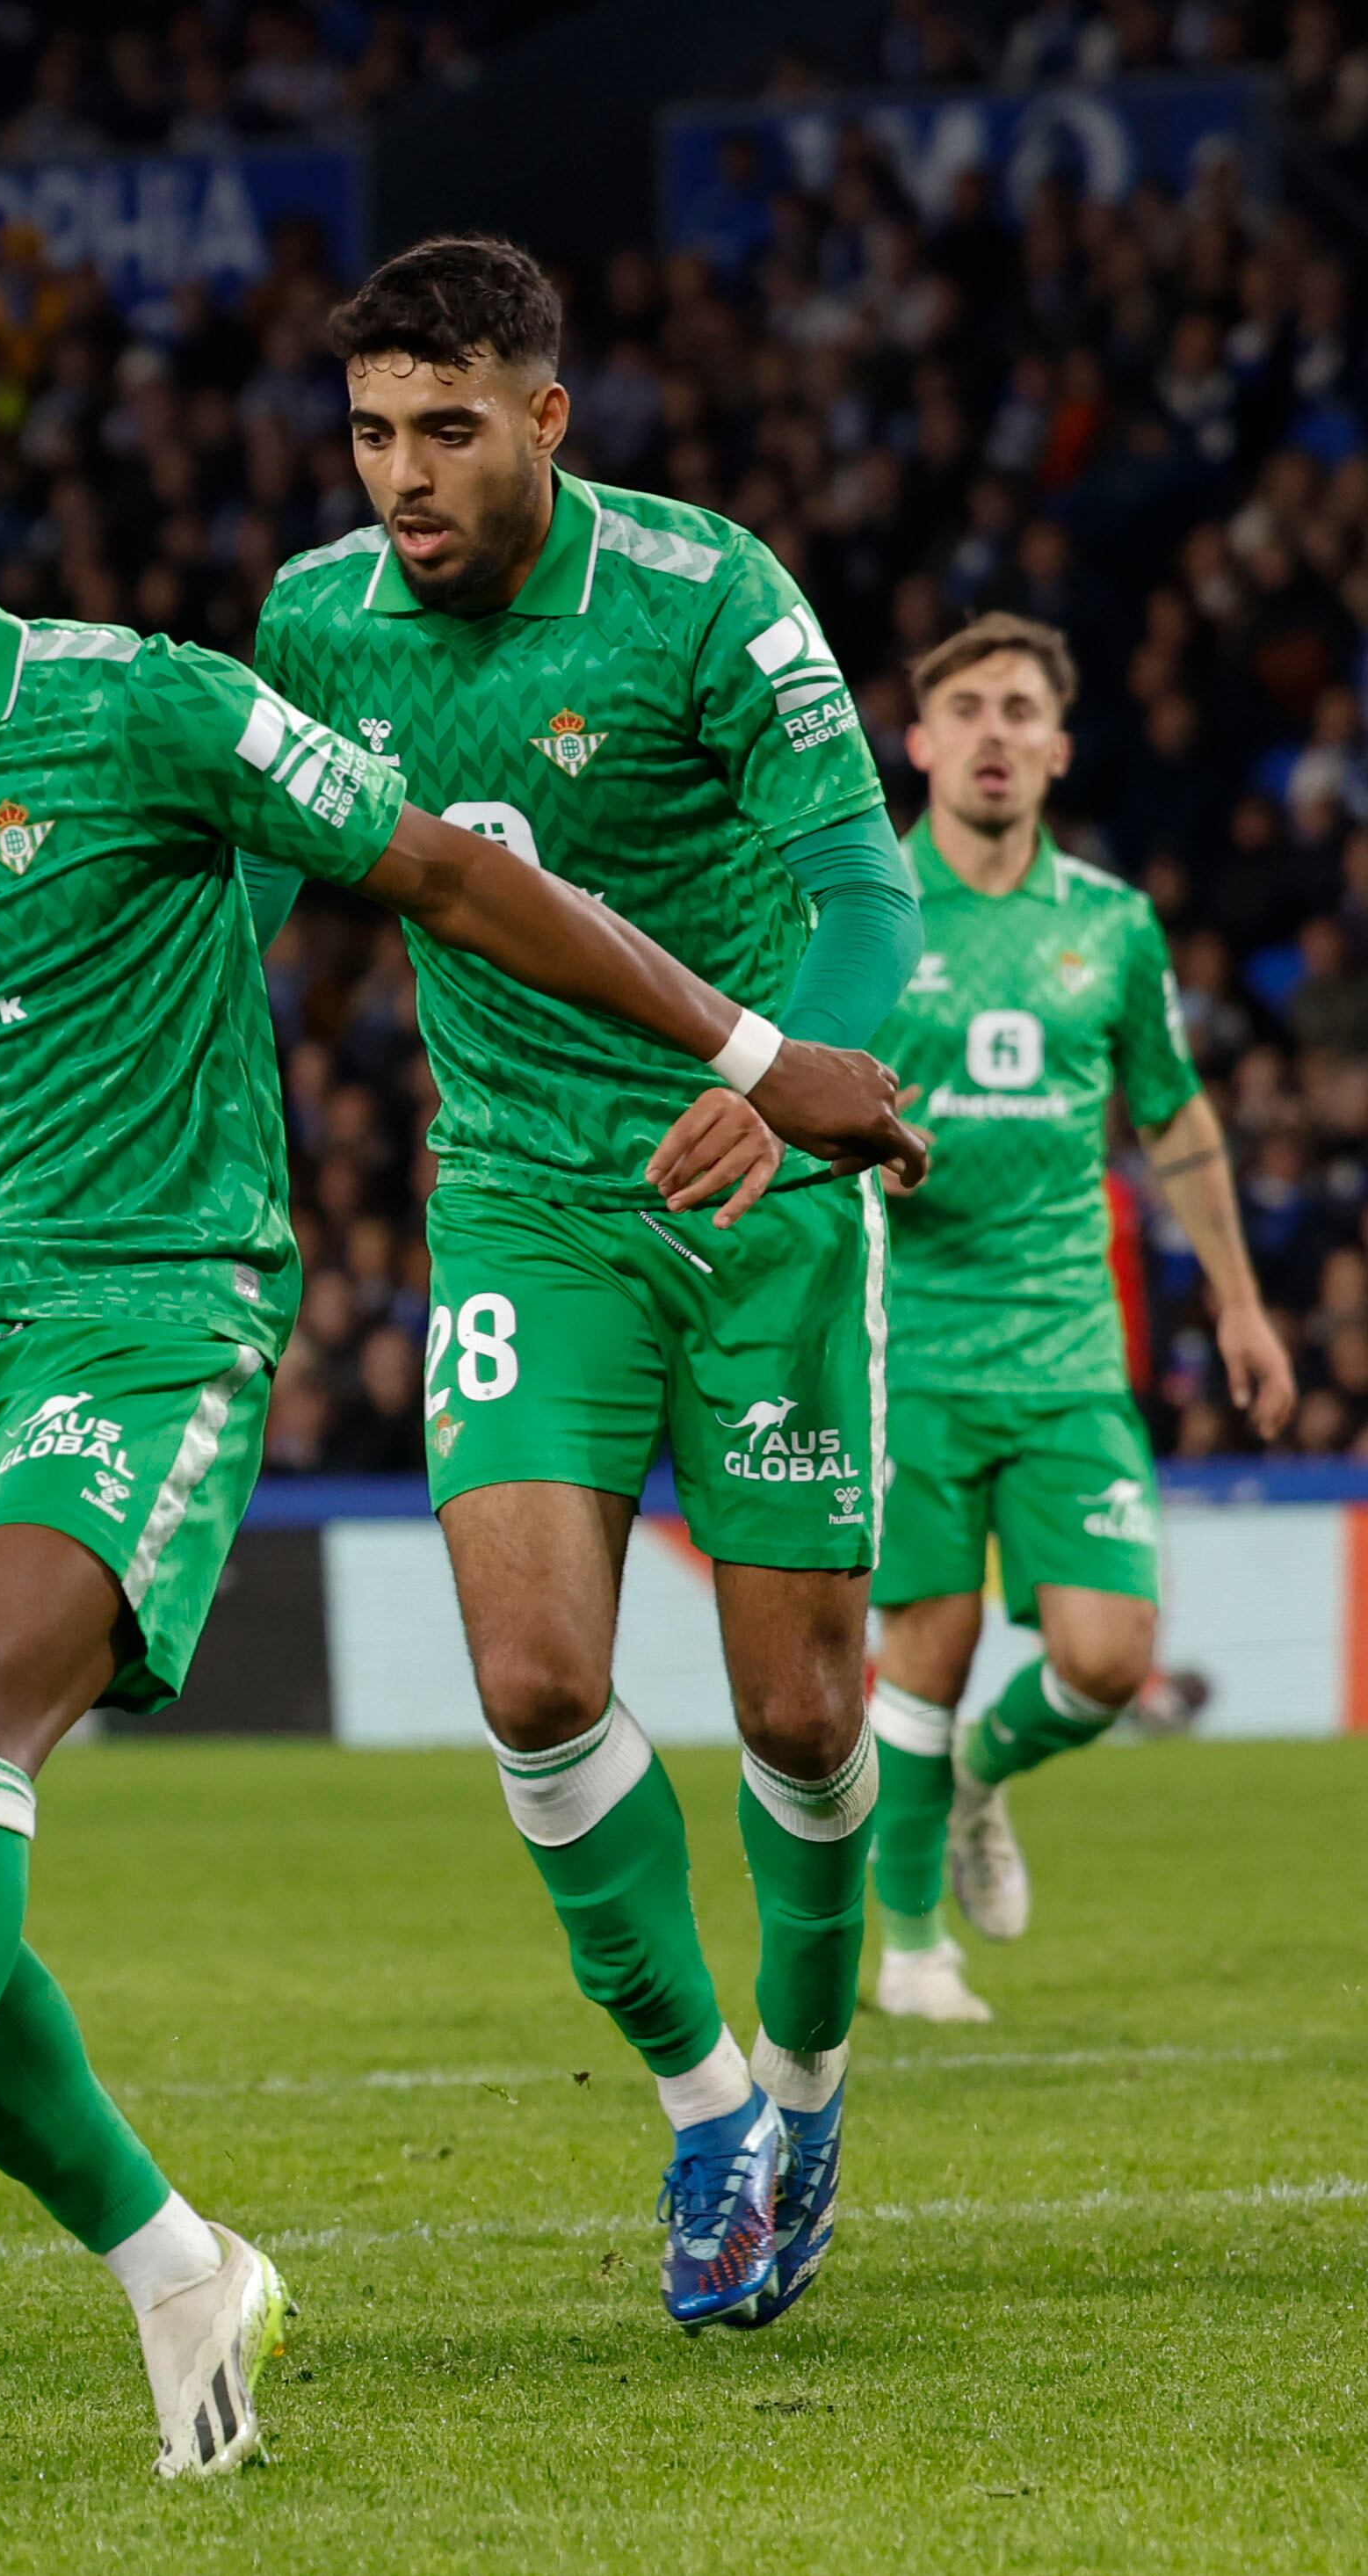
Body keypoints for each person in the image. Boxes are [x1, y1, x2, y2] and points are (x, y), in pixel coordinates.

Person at [0, 359, 921, 2473]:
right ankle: (173, 2266)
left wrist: (755, 1048)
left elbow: (458, 882)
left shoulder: (150, 709)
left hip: (147, 1310)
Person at [245, 235, 928, 2332]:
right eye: (368, 435)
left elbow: (862, 901)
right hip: (522, 1204)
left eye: (444, 429)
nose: (399, 479)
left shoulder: (705, 597)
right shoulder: (311, 622)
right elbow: (242, 912)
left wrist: (775, 1084)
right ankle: (707, 2108)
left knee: (802, 1719)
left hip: (760, 1207)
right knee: (535, 1677)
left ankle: (808, 2084)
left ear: (544, 418)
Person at [864, 614, 1296, 2022]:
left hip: (1063, 1343)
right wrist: (859, 1141)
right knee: (918, 1647)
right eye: (968, 709)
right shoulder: (863, 911)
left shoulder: (1111, 924)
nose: (995, 731)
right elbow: (788, 1098)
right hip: (911, 1335)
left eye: (1021, 711)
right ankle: (914, 1949)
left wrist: (1240, 1305)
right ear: (920, 743)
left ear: (1056, 748)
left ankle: (986, 1778)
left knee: (1108, 1657)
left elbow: (1172, 1116)